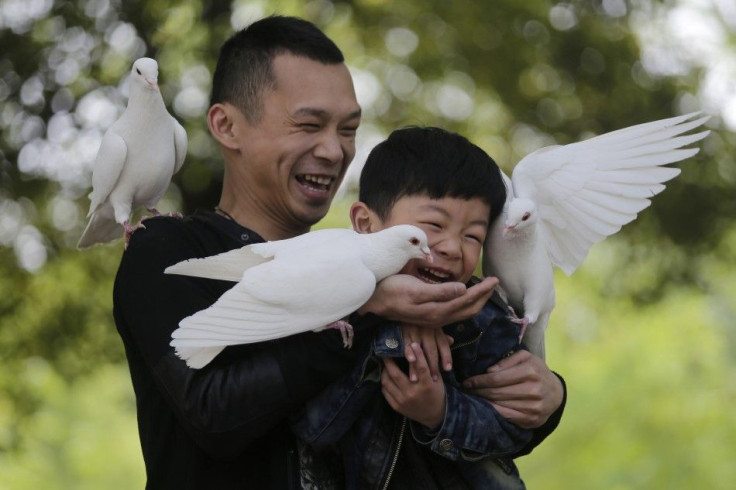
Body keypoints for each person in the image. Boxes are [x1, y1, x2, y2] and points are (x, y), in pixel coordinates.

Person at [112, 15, 563, 489]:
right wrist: (368, 305)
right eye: (309, 125)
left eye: (348, 130)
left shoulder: (380, 261)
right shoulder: (167, 250)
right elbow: (212, 416)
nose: (334, 150)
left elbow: (460, 408)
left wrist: (547, 398)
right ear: (227, 126)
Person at [292, 127, 565, 489]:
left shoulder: (482, 320)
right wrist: (388, 326)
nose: (453, 248)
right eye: (433, 225)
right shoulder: (333, 306)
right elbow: (311, 427)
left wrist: (441, 413)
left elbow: (516, 429)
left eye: (473, 236)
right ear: (364, 223)